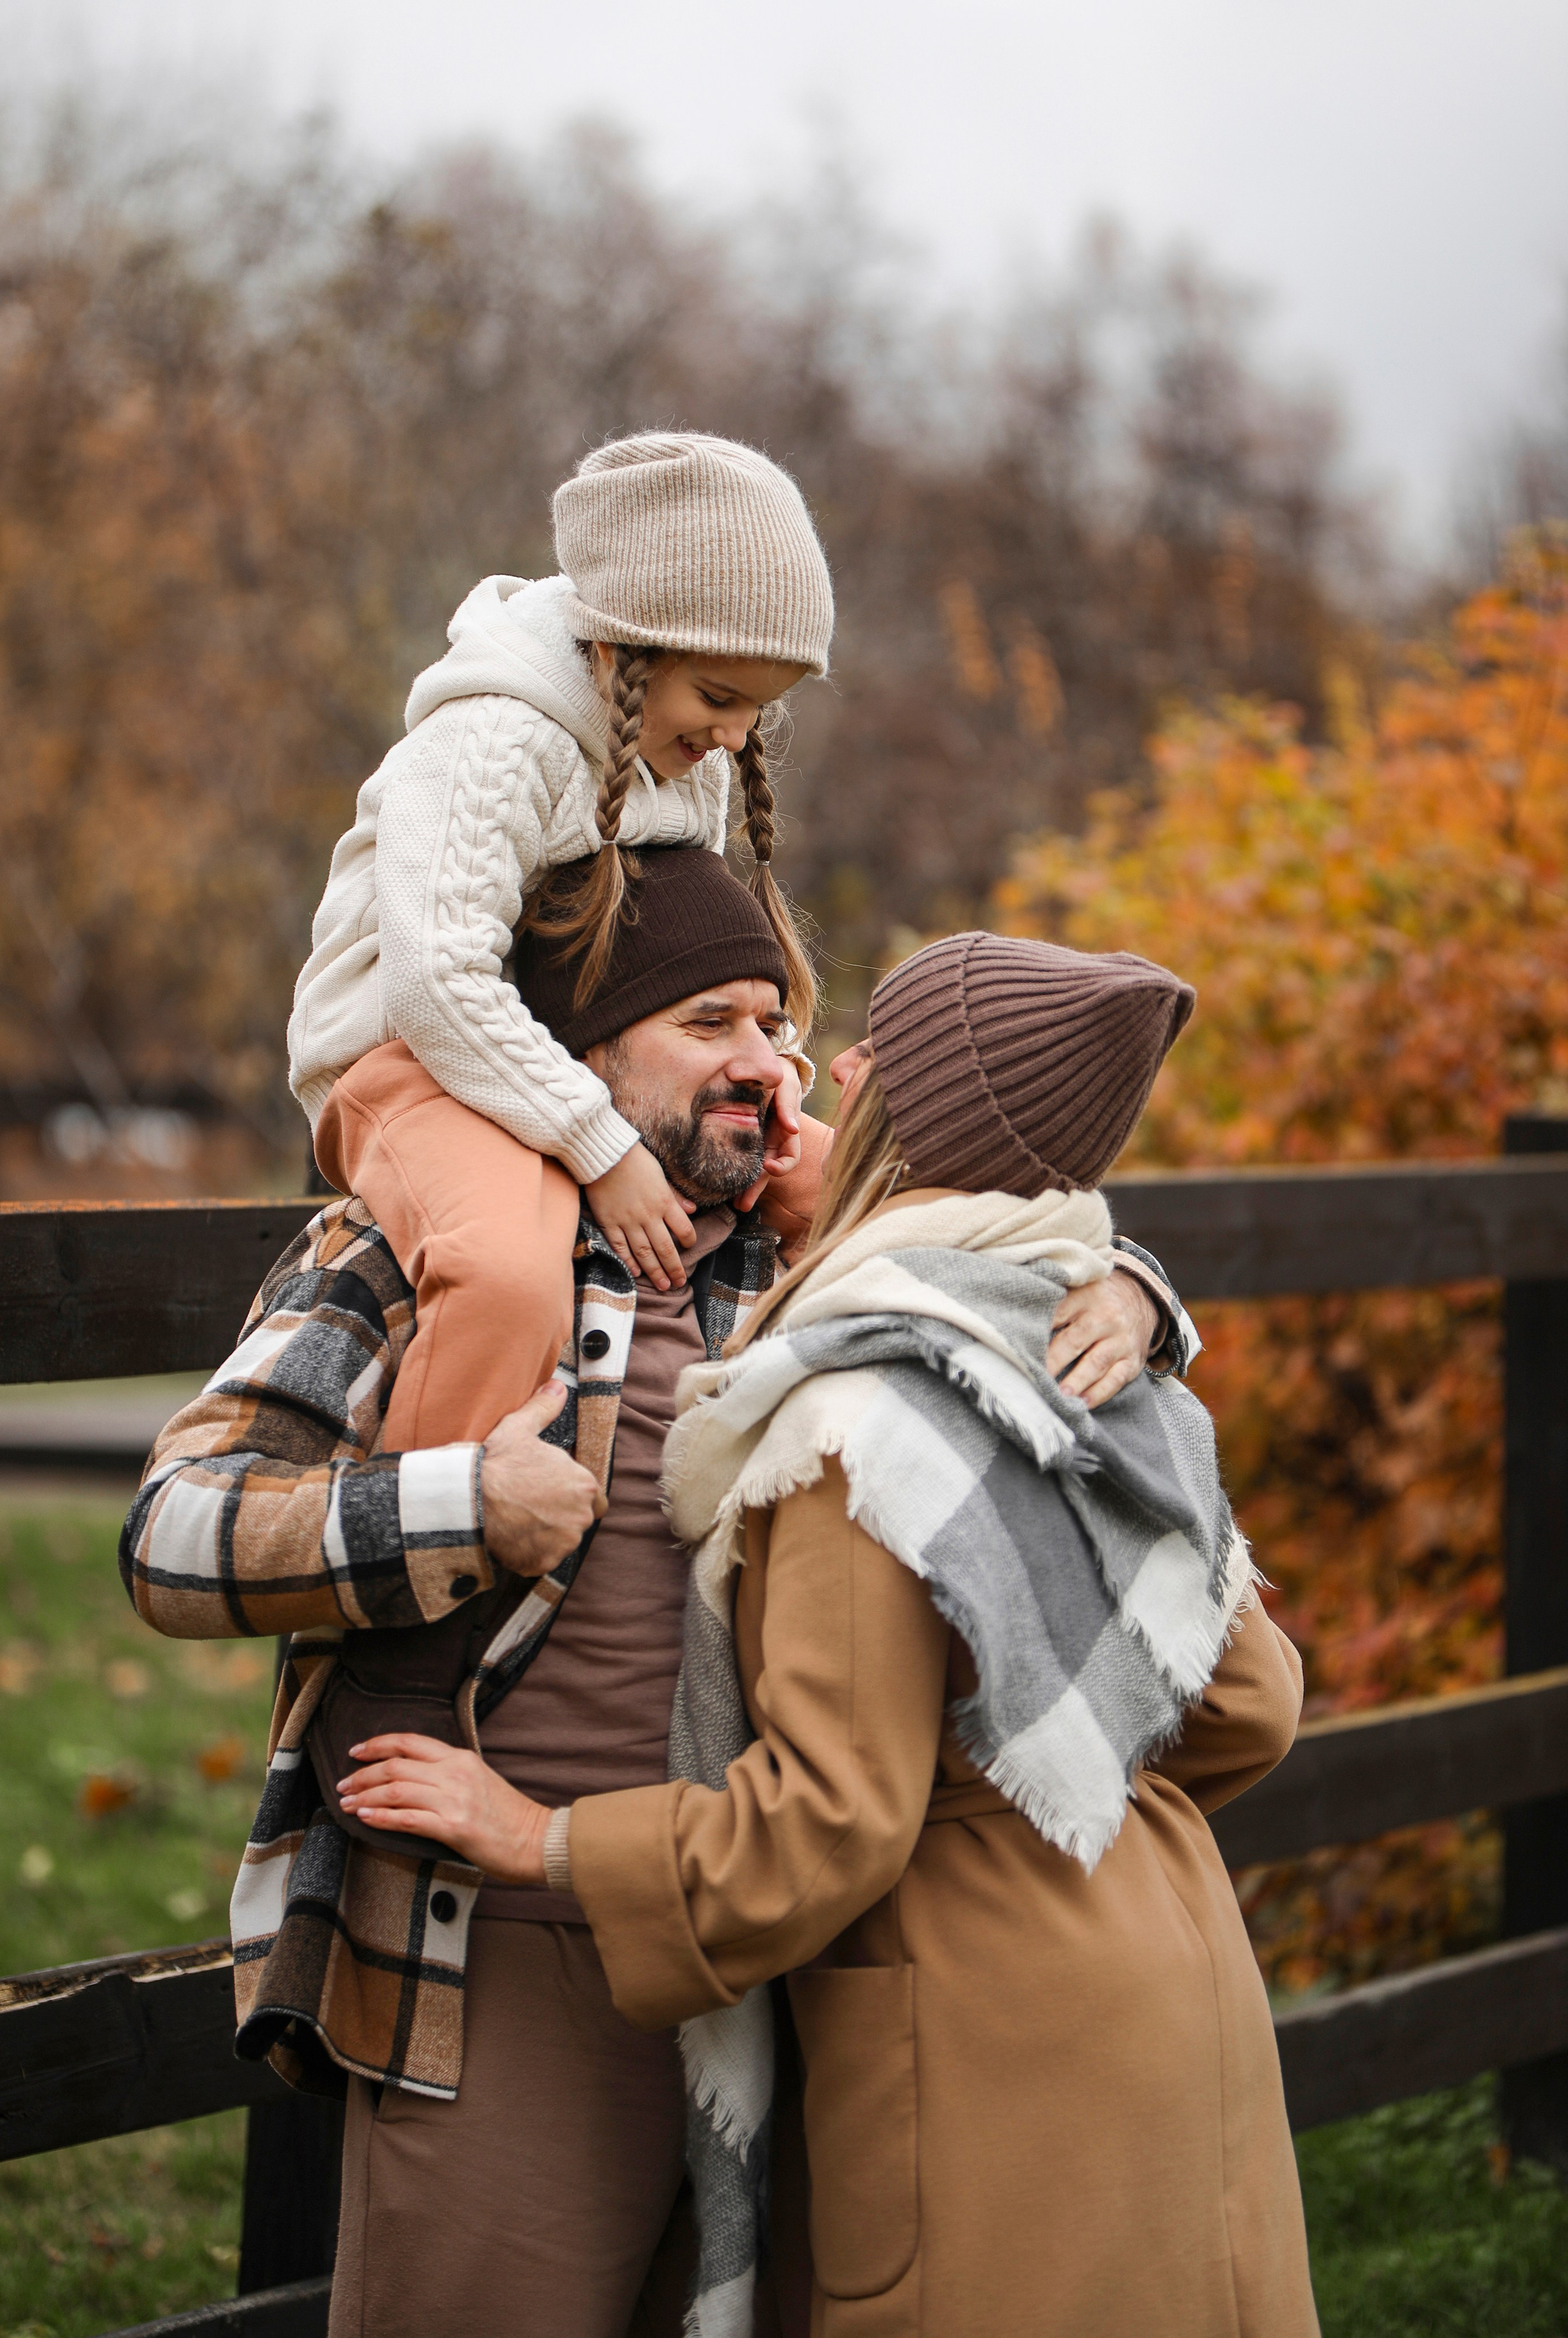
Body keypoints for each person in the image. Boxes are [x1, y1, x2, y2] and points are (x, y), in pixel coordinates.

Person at [121, 864, 1186, 2338]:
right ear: (579, 1056)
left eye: (775, 1022)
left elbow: (1012, 1227)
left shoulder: (809, 1252)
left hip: (767, 1948)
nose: (764, 1060)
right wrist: (462, 1505)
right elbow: (172, 1532)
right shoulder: (416, 1249)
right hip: (498, 1951)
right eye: (707, 1022)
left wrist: (1133, 1289)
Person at [339, 930, 1320, 2338]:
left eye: (869, 1052)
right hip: (1176, 1971)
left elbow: (831, 1825)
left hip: (987, 2031)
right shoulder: (1087, 1353)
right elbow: (1252, 1708)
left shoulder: (854, 1421)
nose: (819, 1067)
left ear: (911, 1124)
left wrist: (537, 1835)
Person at [289, 429, 837, 1470]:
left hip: (557, 1044)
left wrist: (765, 1072)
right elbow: (437, 984)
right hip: (403, 1058)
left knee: (832, 1181)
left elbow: (677, 948)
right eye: (718, 698)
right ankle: (451, 1516)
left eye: (758, 708)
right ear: (620, 654)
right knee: (505, 1265)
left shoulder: (685, 751)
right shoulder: (495, 739)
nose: (734, 735)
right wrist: (604, 1149)